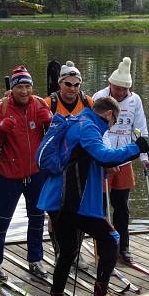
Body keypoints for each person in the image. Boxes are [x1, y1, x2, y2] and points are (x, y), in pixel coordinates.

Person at [37, 96, 149, 296]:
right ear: (109, 114)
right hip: (72, 203)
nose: (112, 126)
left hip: (57, 200)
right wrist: (135, 148)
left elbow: (85, 158)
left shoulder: (77, 121)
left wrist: (105, 167)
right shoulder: (88, 127)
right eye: (114, 121)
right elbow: (103, 156)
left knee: (68, 253)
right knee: (111, 239)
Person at [0, 65, 52, 283]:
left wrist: (49, 122)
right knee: (2, 219)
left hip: (35, 172)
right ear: (12, 88)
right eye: (20, 86)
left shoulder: (40, 104)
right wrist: (1, 129)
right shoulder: (0, 107)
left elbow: (55, 137)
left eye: (27, 86)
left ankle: (35, 260)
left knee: (37, 218)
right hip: (8, 174)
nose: (24, 91)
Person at [93, 56, 149, 264]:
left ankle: (123, 247)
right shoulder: (100, 98)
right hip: (105, 159)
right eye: (117, 89)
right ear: (110, 84)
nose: (120, 93)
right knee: (101, 206)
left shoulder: (135, 100)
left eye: (124, 90)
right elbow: (98, 130)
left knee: (122, 206)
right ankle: (102, 247)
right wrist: (107, 157)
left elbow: (141, 129)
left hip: (125, 159)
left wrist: (144, 155)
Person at [45, 61, 94, 259]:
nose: (72, 89)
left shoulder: (88, 102)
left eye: (76, 84)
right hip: (57, 164)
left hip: (80, 164)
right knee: (55, 210)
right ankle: (60, 250)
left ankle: (75, 251)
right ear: (60, 84)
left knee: (78, 209)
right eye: (68, 84)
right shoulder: (49, 103)